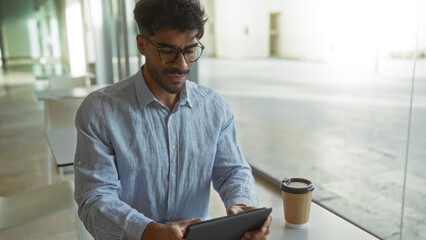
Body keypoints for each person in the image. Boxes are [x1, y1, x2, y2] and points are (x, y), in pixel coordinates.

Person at [74, 0, 272, 239]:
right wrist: (151, 232)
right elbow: (95, 199)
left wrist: (243, 206)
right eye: (167, 51)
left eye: (190, 50)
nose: (182, 64)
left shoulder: (214, 107)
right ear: (142, 45)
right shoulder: (99, 110)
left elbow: (232, 171)